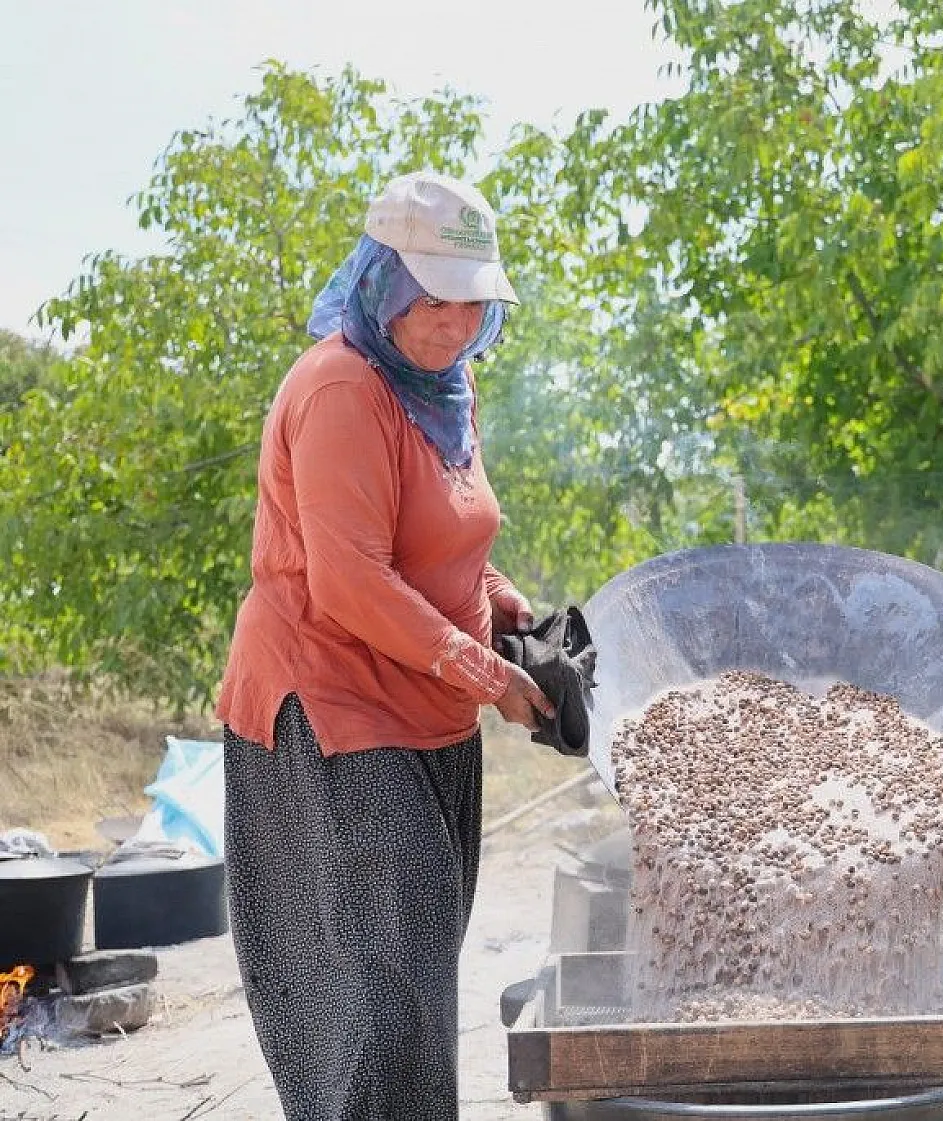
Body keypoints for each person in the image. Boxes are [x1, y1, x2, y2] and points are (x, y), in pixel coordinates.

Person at [215, 170, 557, 1121]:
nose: (455, 325)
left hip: (429, 709)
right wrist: (487, 673)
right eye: (436, 301)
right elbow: (353, 579)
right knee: (378, 989)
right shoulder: (338, 389)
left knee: (416, 972)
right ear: (386, 284)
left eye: (474, 304)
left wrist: (503, 602)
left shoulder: (448, 385)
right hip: (332, 708)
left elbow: (443, 535)